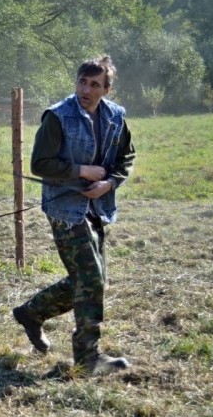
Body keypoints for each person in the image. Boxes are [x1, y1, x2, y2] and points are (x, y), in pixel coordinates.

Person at [12, 55, 135, 375]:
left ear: (106, 89)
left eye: (95, 84)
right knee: (91, 278)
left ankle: (32, 313)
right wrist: (81, 171)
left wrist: (109, 183)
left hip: (98, 206)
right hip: (65, 208)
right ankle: (87, 357)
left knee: (91, 281)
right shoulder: (58, 116)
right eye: (82, 81)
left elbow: (125, 158)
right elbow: (40, 164)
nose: (86, 89)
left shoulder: (115, 117)